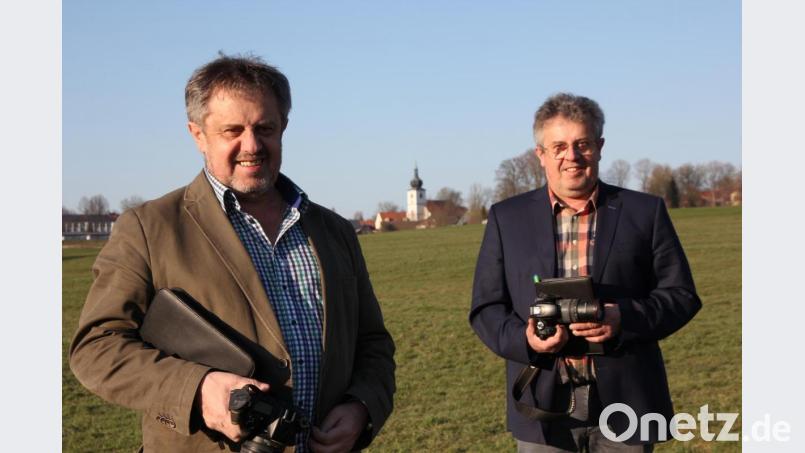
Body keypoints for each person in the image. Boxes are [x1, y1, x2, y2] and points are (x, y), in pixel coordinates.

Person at [69, 54, 396, 453]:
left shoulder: (335, 231)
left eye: (265, 128)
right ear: (198, 135)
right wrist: (197, 389)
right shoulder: (148, 228)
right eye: (232, 131)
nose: (252, 145)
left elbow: (373, 344)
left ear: (284, 127)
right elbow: (96, 347)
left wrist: (363, 406)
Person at [469, 93, 701, 452]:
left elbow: (681, 295)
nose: (572, 157)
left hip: (627, 402)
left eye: (583, 144)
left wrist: (624, 318)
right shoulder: (506, 218)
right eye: (559, 147)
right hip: (542, 405)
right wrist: (527, 341)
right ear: (540, 154)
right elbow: (486, 308)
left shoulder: (644, 211)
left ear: (600, 147)